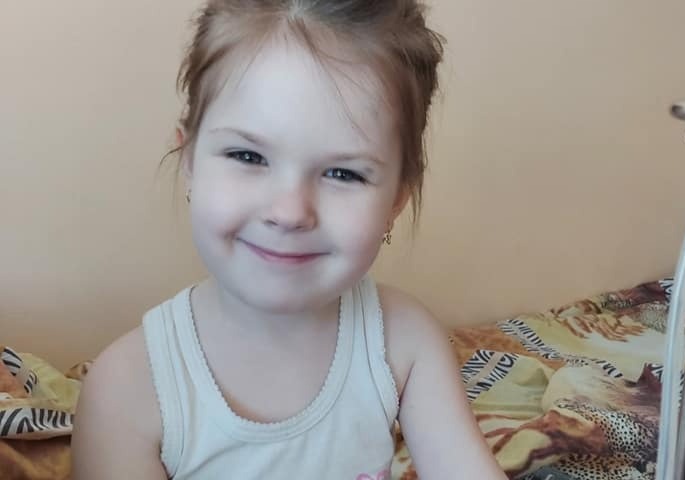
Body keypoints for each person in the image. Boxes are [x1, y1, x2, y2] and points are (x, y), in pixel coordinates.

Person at [71, 1, 508, 478]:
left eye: (343, 173)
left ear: (397, 201)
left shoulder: (404, 341)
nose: (289, 212)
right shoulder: (128, 389)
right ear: (189, 158)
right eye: (248, 156)